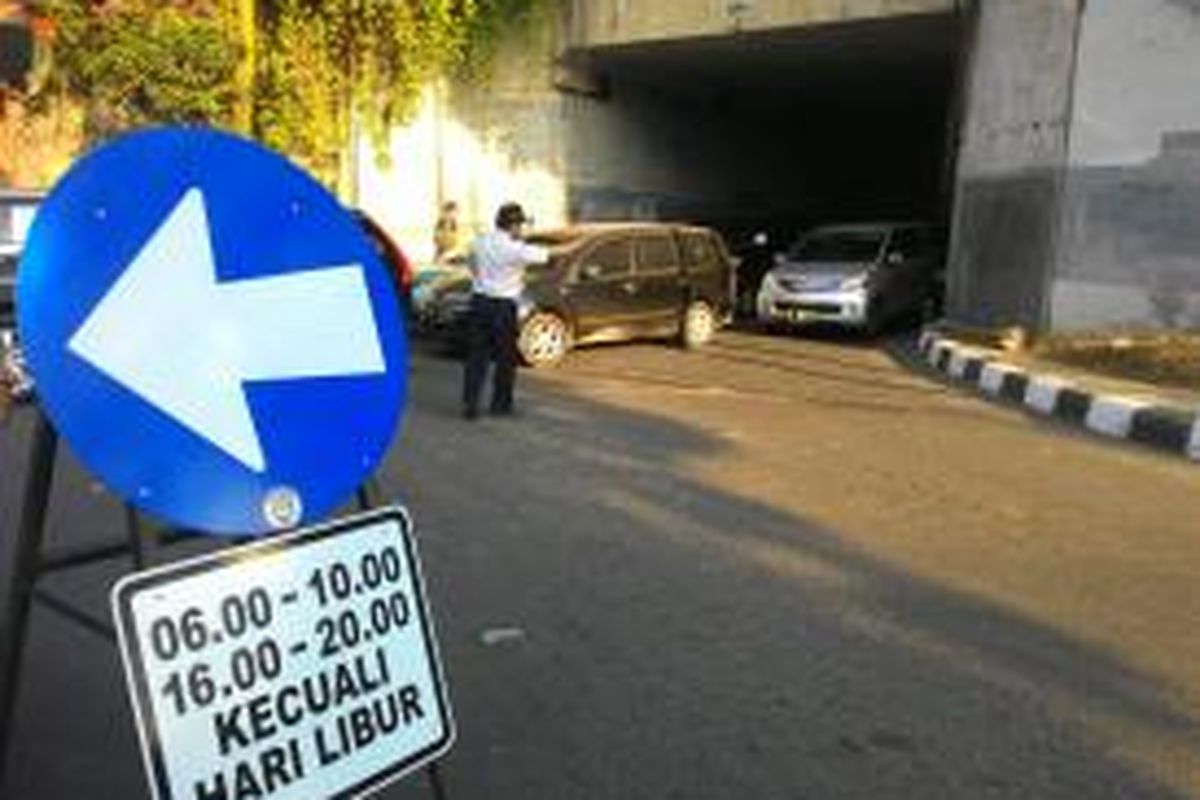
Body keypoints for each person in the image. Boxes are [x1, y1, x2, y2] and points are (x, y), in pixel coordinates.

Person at [461, 202, 548, 420]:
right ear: (514, 225)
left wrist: (481, 280)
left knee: (476, 356)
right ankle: (500, 405)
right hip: (503, 307)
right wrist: (525, 240)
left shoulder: (480, 242)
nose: (521, 229)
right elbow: (545, 255)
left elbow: (471, 264)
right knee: (505, 357)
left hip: (479, 301)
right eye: (520, 225)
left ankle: (470, 403)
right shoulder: (515, 249)